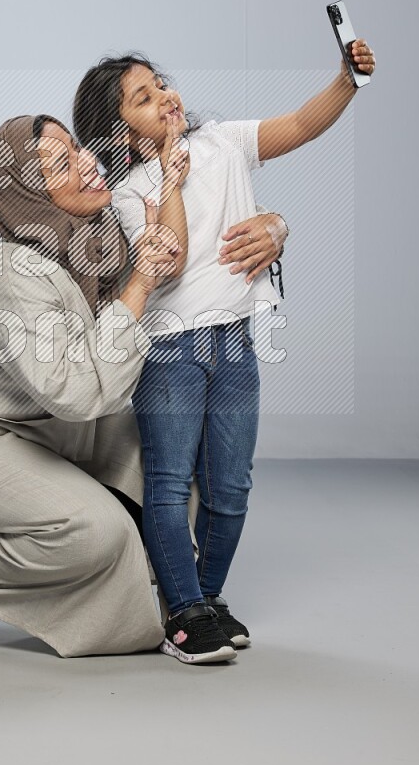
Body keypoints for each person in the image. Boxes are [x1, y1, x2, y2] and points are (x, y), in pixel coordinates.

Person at [72, 39, 376, 664]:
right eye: (143, 98)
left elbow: (300, 124)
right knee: (168, 481)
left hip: (235, 341)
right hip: (169, 350)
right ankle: (183, 613)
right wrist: (170, 176)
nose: (164, 97)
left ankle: (206, 599)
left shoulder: (222, 141)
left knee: (231, 484)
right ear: (118, 130)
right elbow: (172, 258)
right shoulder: (129, 190)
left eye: (161, 84)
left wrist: (346, 80)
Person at [0, 112, 184, 660]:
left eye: (76, 149)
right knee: (96, 531)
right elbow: (77, 393)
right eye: (60, 164)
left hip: (51, 428)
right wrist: (141, 283)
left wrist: (273, 230)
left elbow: (190, 255)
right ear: (27, 193)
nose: (87, 163)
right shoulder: (13, 272)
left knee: (180, 460)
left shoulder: (96, 241)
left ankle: (184, 602)